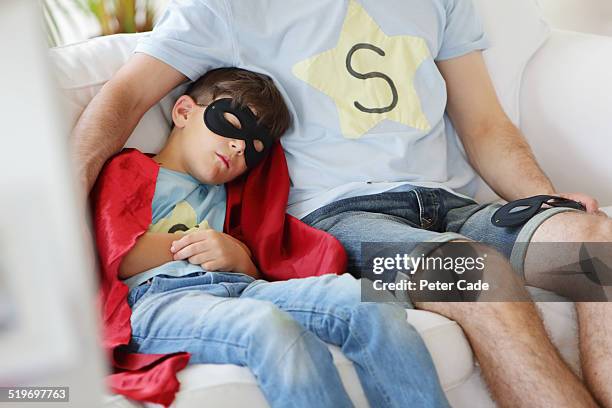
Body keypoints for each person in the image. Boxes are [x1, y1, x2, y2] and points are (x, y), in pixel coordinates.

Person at [74, 0, 612, 406]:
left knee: (596, 248)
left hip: (453, 203)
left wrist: (543, 197)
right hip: (340, 222)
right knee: (475, 276)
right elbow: (122, 97)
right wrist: (57, 212)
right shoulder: (226, 7)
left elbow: (485, 125)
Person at [93, 67, 449, 407]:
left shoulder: (235, 193)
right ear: (184, 111)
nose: (237, 149)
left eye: (252, 148)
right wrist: (195, 245)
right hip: (158, 303)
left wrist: (237, 256)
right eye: (230, 126)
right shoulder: (130, 169)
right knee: (267, 327)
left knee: (366, 299)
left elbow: (254, 265)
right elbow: (118, 255)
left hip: (239, 289)